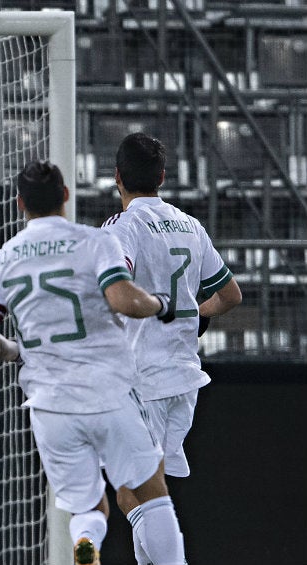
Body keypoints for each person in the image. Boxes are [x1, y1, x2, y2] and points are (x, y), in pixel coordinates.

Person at [0, 160, 188, 565]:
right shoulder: (94, 241)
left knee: (89, 508)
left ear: (20, 204)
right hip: (107, 392)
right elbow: (123, 299)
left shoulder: (4, 258)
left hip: (50, 405)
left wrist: (16, 351)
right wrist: (159, 304)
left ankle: (87, 543)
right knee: (151, 490)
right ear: (66, 196)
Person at [101, 132, 242, 565]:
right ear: (162, 177)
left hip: (143, 380)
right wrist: (195, 314)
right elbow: (230, 294)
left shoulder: (122, 228)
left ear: (117, 178)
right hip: (184, 380)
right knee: (148, 495)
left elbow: (115, 290)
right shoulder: (190, 225)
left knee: (130, 496)